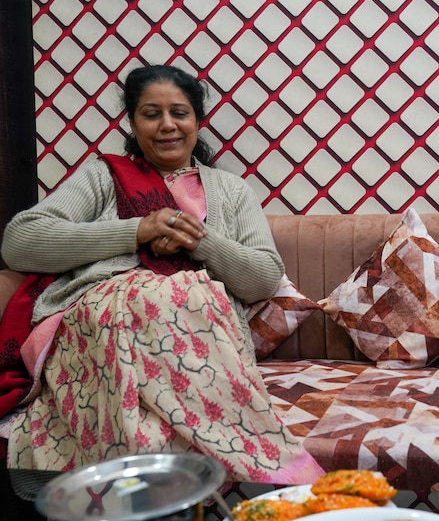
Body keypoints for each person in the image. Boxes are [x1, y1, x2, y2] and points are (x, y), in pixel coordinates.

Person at [0, 64, 325, 484]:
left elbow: (263, 277)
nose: (167, 125)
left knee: (185, 294)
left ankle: (137, 490)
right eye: (151, 114)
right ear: (133, 124)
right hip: (103, 324)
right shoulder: (104, 176)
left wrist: (199, 241)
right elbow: (20, 241)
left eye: (179, 113)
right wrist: (138, 230)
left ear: (197, 120)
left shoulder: (231, 190)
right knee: (157, 295)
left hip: (198, 330)